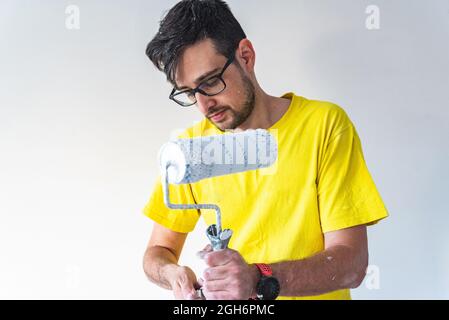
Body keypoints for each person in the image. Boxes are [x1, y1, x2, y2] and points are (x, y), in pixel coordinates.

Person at [142, 0, 388, 300]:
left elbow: (352, 264)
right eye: (189, 92)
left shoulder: (324, 126)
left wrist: (259, 277)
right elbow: (158, 252)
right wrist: (172, 274)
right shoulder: (193, 151)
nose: (204, 105)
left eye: (210, 82)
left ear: (245, 56)